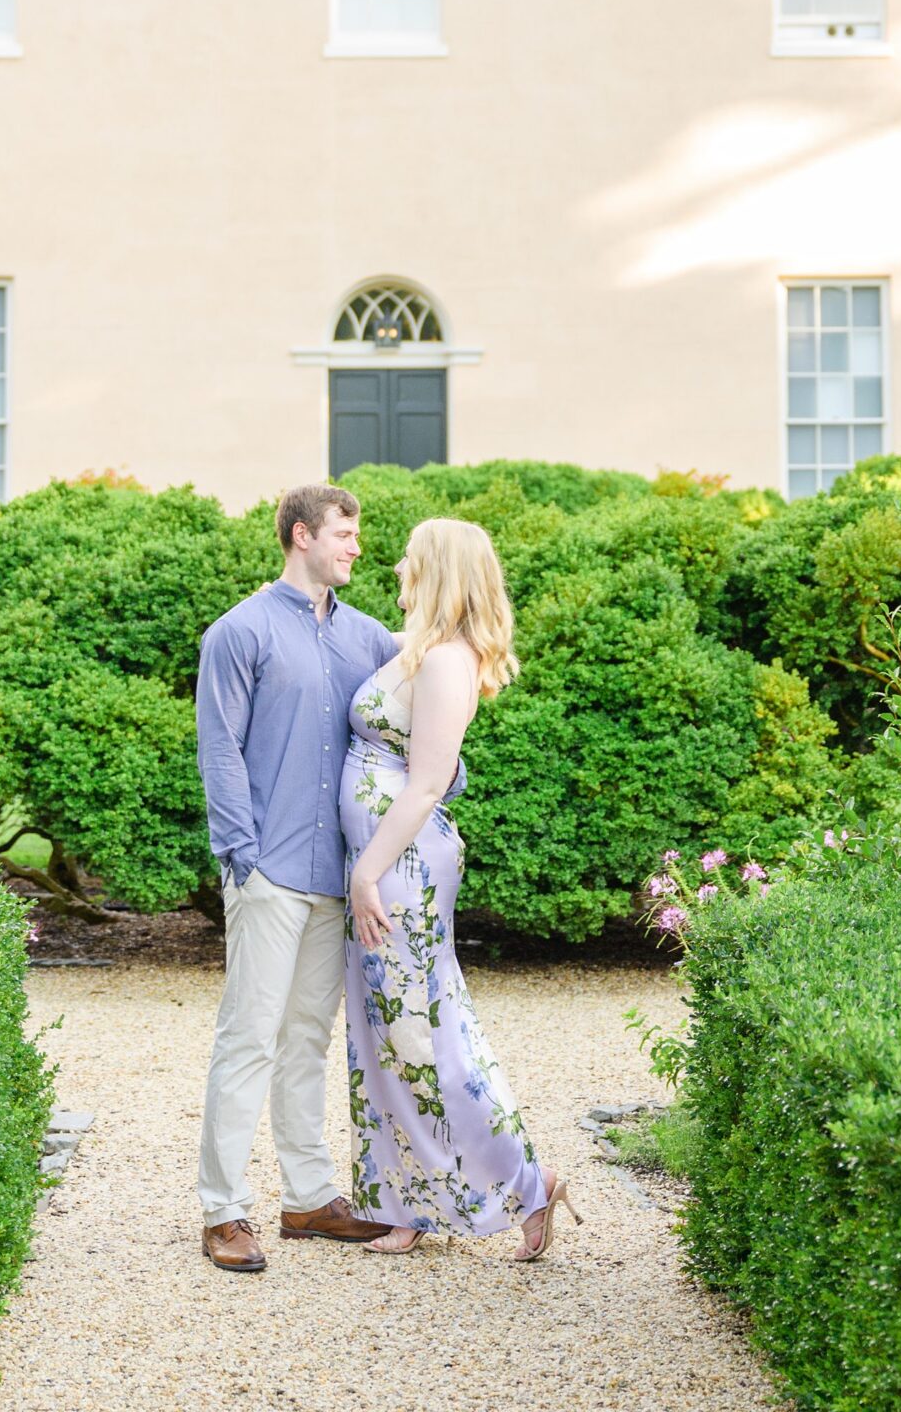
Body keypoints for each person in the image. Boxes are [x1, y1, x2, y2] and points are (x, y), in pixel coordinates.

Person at [341, 517, 579, 1260]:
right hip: (387, 864)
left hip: (398, 867)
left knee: (424, 1034)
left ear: (436, 569)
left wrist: (366, 872)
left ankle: (527, 1184)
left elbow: (427, 784)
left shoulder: (447, 662)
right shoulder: (420, 650)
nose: (397, 569)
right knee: (389, 1036)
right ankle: (411, 1199)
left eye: (409, 559)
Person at [194, 481, 405, 1272]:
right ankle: (221, 1211)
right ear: (299, 536)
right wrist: (240, 855)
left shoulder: (370, 639)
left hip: (338, 872)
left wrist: (438, 786)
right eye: (343, 534)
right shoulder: (237, 632)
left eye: (356, 534)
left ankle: (309, 1199)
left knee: (308, 1037)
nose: (355, 547)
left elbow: (417, 716)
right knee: (247, 1035)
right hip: (268, 868)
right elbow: (219, 750)